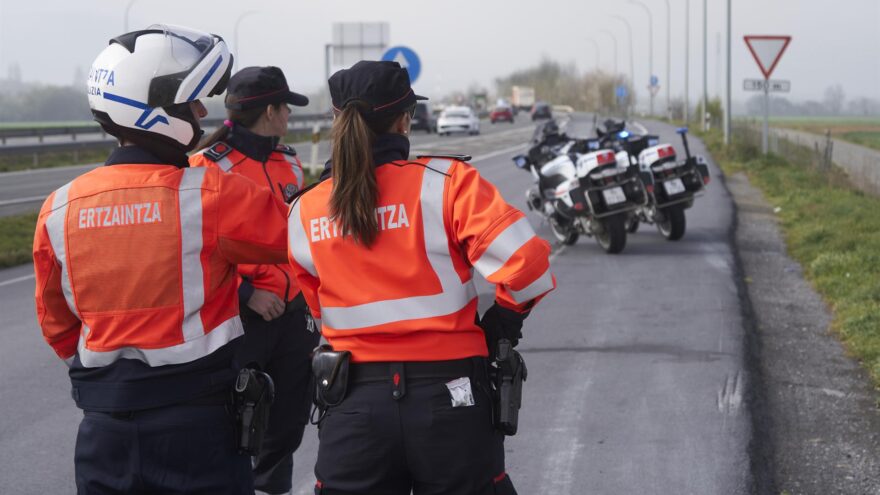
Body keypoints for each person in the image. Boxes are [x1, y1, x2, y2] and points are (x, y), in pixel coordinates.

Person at [32, 26, 291, 494]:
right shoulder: (210, 194)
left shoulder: (59, 207)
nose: (201, 112)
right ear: (156, 109)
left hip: (103, 429)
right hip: (198, 428)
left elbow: (57, 325)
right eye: (191, 103)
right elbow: (306, 240)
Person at [287, 60, 556, 495]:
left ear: (337, 120)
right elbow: (529, 264)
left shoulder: (306, 209)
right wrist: (503, 321)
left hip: (353, 409)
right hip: (451, 399)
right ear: (404, 120)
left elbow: (320, 308)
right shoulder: (447, 184)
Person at [190, 65, 320, 495]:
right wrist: (248, 293)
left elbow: (298, 233)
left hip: (293, 317)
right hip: (239, 318)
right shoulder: (205, 168)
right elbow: (191, 249)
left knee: (287, 425)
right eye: (287, 108)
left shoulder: (289, 161)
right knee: (235, 424)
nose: (290, 117)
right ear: (271, 111)